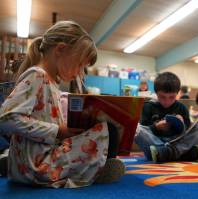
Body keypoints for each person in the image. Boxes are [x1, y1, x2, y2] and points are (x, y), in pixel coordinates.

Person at [0, 21, 125, 187]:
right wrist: (58, 131)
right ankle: (97, 170)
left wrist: (64, 130)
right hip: (38, 166)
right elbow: (6, 119)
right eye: (80, 64)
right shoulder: (37, 76)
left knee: (105, 129)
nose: (79, 73)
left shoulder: (50, 82)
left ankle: (98, 167)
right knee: (107, 129)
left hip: (42, 157)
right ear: (60, 50)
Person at [134, 72, 198, 163]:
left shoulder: (181, 107)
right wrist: (156, 127)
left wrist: (182, 123)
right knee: (135, 129)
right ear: (156, 93)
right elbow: (144, 128)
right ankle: (180, 153)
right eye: (162, 97)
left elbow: (187, 129)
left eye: (172, 97)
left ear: (177, 93)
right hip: (156, 142)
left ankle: (166, 153)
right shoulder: (148, 106)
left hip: (175, 141)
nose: (167, 101)